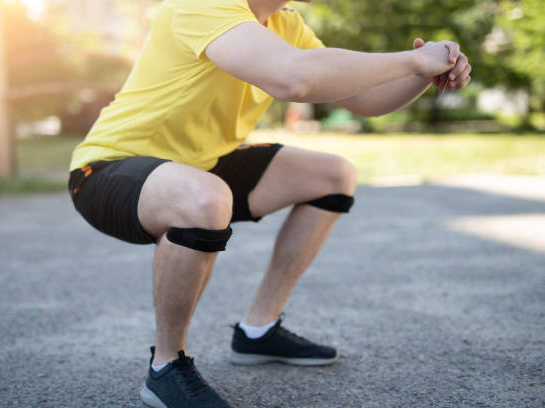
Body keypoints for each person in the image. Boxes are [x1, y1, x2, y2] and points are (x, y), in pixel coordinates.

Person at [67, 0, 472, 406]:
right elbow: (293, 79)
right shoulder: (202, 4)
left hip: (202, 165)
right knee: (204, 196)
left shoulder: (285, 24)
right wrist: (415, 59)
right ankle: (166, 366)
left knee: (333, 175)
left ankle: (258, 331)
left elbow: (366, 98)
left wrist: (429, 70)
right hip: (108, 169)